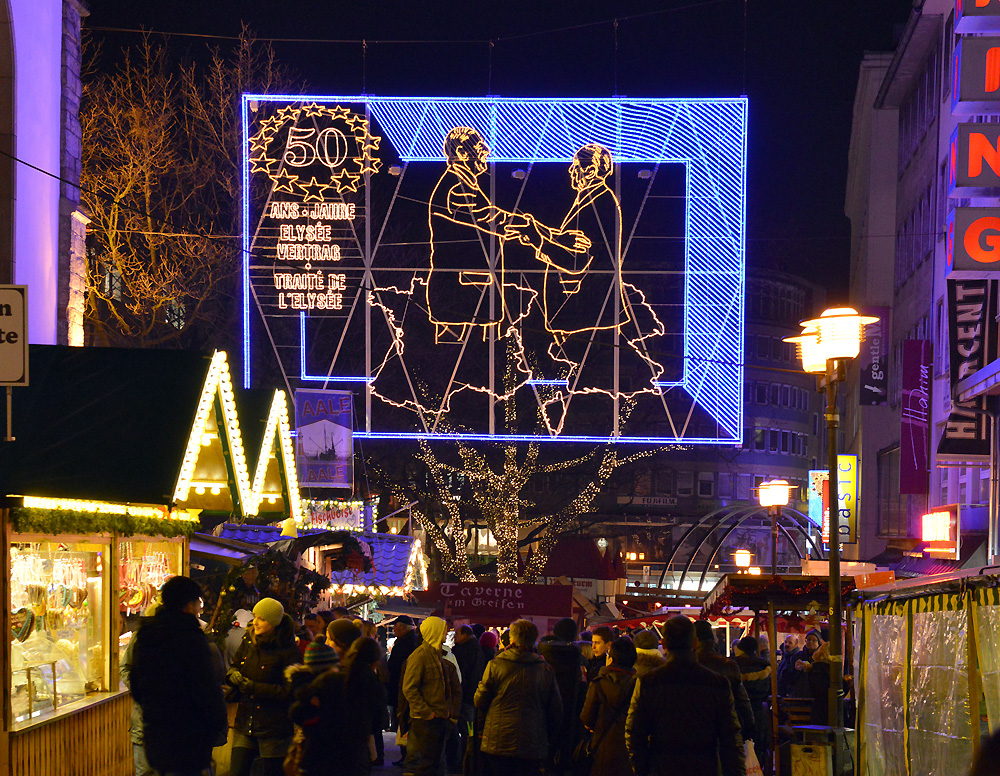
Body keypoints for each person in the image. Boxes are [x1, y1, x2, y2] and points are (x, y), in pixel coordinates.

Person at [130, 576, 228, 776]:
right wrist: (215, 724)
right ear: (188, 605)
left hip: (156, 733)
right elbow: (205, 687)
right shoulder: (191, 638)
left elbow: (136, 681)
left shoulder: (147, 635)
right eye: (197, 603)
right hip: (188, 735)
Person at [625, 615, 744, 776]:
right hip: (705, 766)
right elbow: (731, 739)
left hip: (662, 766)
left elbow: (635, 734)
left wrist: (642, 769)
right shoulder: (717, 683)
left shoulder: (648, 683)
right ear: (694, 643)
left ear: (664, 644)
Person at [475, 619, 563, 776]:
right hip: (532, 741)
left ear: (512, 639)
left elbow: (480, 700)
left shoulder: (496, 665)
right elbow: (555, 710)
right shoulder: (544, 669)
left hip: (498, 739)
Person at [227, 597, 302, 776]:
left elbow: (290, 691)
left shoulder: (289, 651)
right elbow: (235, 665)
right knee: (237, 770)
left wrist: (254, 687)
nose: (256, 622)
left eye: (262, 618)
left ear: (275, 622)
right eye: (255, 617)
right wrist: (233, 675)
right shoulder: (249, 640)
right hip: (246, 720)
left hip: (273, 727)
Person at [402, 616, 462, 776]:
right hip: (428, 720)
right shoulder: (420, 655)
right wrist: (427, 712)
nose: (447, 632)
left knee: (434, 763)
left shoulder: (436, 655)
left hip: (438, 717)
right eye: (443, 629)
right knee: (428, 764)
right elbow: (409, 688)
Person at [581, 637, 637, 776]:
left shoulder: (599, 683)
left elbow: (587, 718)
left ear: (611, 659)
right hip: (630, 751)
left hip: (602, 748)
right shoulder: (638, 686)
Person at [693, 619, 755, 742]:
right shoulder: (728, 665)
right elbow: (742, 700)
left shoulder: (687, 665)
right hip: (724, 729)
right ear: (712, 639)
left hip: (694, 730)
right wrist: (749, 728)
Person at [539, 617, 587, 774]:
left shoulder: (542, 657)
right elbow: (583, 692)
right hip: (571, 717)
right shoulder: (579, 660)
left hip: (542, 716)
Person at [449, 624, 485, 772]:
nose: (454, 636)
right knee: (467, 732)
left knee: (465, 732)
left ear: (464, 634)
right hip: (469, 698)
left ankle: (461, 762)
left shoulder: (465, 650)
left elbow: (462, 674)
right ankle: (465, 761)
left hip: (465, 698)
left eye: (457, 633)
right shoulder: (476, 649)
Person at [733, 635, 773, 763]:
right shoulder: (764, 667)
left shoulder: (733, 666)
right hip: (758, 712)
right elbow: (769, 691)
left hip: (737, 712)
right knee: (757, 751)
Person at [388, 615, 421, 764]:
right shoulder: (408, 641)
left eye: (395, 626)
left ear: (402, 627)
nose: (393, 629)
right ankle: (407, 755)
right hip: (401, 688)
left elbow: (397, 666)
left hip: (402, 689)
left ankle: (408, 755)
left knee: (403, 721)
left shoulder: (405, 643)